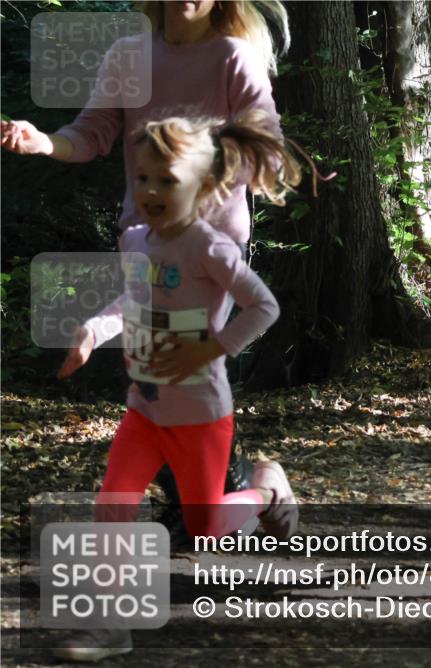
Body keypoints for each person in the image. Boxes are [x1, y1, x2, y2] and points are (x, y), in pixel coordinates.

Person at [1, 0, 291, 525]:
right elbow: (90, 134)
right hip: (145, 242)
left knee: (186, 375)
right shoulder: (128, 56)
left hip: (211, 248)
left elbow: (266, 148)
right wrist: (45, 142)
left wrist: (200, 171)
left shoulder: (232, 56)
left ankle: (232, 492)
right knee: (154, 377)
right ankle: (222, 492)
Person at [54, 110, 301, 662]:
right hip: (144, 409)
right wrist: (94, 331)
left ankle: (266, 491)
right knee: (111, 508)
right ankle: (110, 626)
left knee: (207, 527)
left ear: (204, 186)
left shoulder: (209, 248)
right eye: (142, 179)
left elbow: (264, 305)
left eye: (168, 181)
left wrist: (211, 347)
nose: (151, 191)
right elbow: (132, 304)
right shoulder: (135, 240)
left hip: (201, 413)